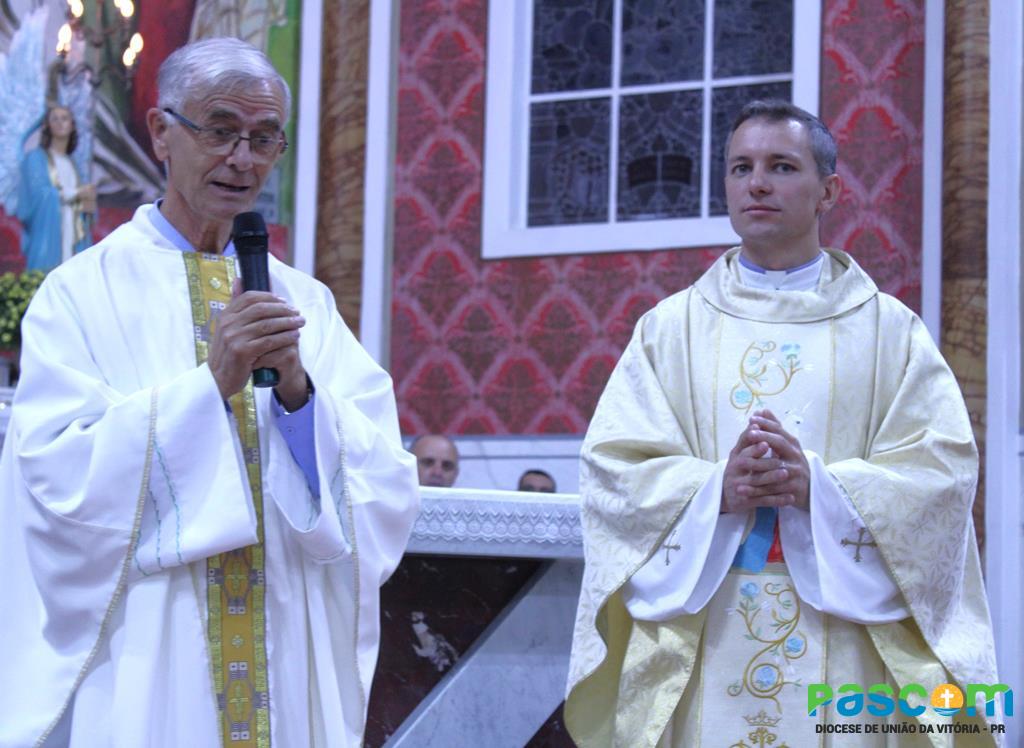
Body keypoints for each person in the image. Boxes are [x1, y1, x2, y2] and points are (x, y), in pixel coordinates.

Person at [0, 38, 419, 747]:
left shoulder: (306, 304)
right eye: (221, 130)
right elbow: (51, 481)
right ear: (162, 132)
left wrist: (297, 396)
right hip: (151, 643)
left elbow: (382, 482)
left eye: (264, 139)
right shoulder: (79, 294)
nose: (243, 159)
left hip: (284, 629)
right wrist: (210, 387)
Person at [564, 100, 999, 747]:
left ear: (828, 191)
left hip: (845, 636)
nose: (757, 183)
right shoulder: (671, 329)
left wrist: (817, 489)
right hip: (706, 627)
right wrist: (717, 489)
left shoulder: (887, 331)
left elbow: (940, 474)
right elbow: (615, 470)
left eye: (780, 166)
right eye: (741, 167)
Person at [16, 105, 96, 270]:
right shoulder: (36, 158)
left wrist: (88, 206)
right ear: (47, 126)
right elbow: (40, 195)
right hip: (48, 232)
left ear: (72, 125)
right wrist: (76, 193)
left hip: (73, 230)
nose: (60, 123)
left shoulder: (73, 165)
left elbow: (85, 211)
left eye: (65, 118)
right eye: (55, 118)